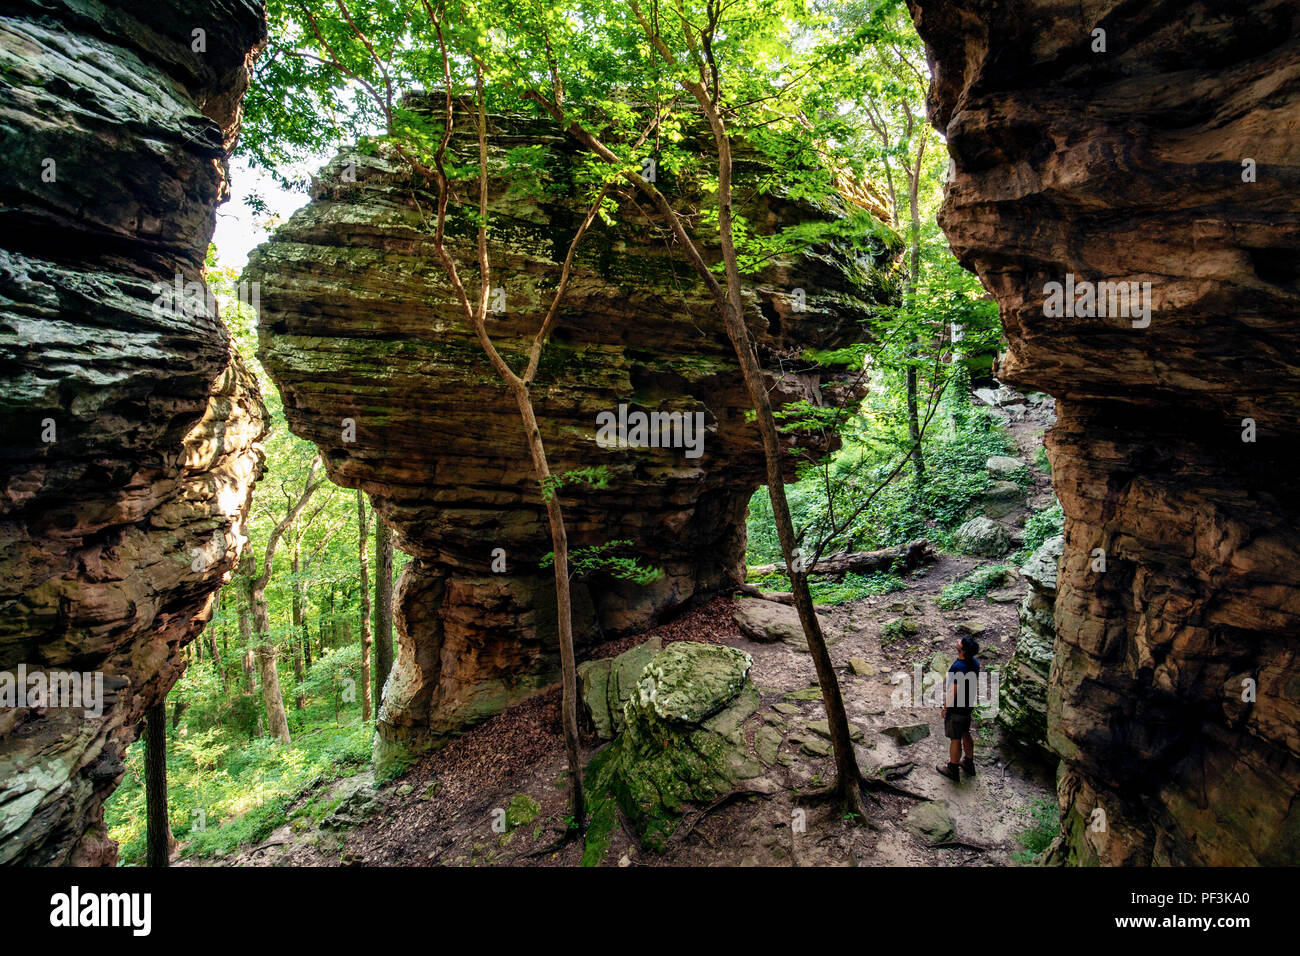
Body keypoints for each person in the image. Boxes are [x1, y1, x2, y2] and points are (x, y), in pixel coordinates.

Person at [935, 635, 981, 781]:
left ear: (963, 649)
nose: (957, 641)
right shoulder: (974, 663)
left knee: (955, 738)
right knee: (965, 732)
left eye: (960, 642)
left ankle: (952, 768)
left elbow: (953, 691)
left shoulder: (959, 668)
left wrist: (945, 707)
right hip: (968, 705)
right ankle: (969, 762)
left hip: (957, 708)